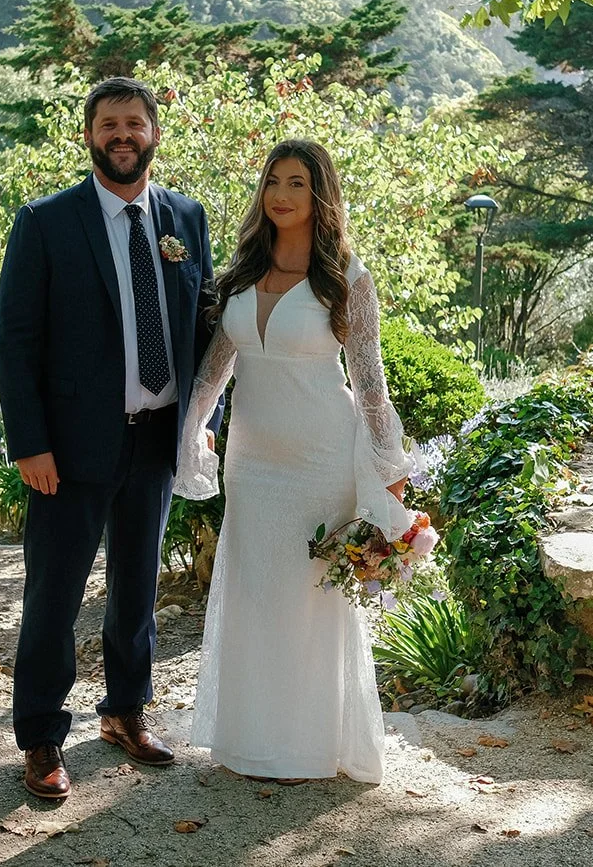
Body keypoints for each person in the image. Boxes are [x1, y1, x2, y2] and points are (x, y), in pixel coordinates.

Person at [0, 77, 221, 800]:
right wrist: (29, 444)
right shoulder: (46, 221)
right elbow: (15, 341)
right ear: (89, 136)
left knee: (137, 589)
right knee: (54, 595)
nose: (123, 135)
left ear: (154, 133)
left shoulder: (186, 217)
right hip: (66, 450)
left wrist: (204, 422)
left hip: (157, 440)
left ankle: (125, 710)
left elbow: (207, 329)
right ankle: (41, 736)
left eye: (134, 123)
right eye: (109, 124)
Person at [174, 138, 414, 784]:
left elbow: (370, 384)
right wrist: (191, 433)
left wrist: (389, 469)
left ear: (320, 194)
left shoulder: (347, 278)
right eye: (273, 181)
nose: (280, 194)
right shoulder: (243, 271)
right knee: (255, 596)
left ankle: (308, 747)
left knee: (309, 605)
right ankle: (251, 740)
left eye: (297, 183)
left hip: (319, 460)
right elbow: (214, 370)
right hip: (252, 463)